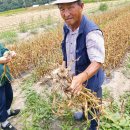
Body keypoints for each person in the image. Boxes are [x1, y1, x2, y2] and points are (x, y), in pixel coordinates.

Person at [53, 0, 105, 129]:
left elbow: (97, 61)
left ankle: (94, 125)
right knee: (81, 98)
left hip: (91, 80)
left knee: (93, 102)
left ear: (82, 6)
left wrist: (81, 78)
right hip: (76, 75)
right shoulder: (67, 27)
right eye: (62, 9)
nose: (66, 14)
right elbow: (66, 47)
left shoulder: (91, 32)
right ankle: (84, 113)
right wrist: (63, 67)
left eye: (70, 7)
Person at [0, 43, 20, 130]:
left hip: (4, 76)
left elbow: (2, 49)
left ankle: (7, 112)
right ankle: (4, 123)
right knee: (1, 101)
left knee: (9, 95)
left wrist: (8, 53)